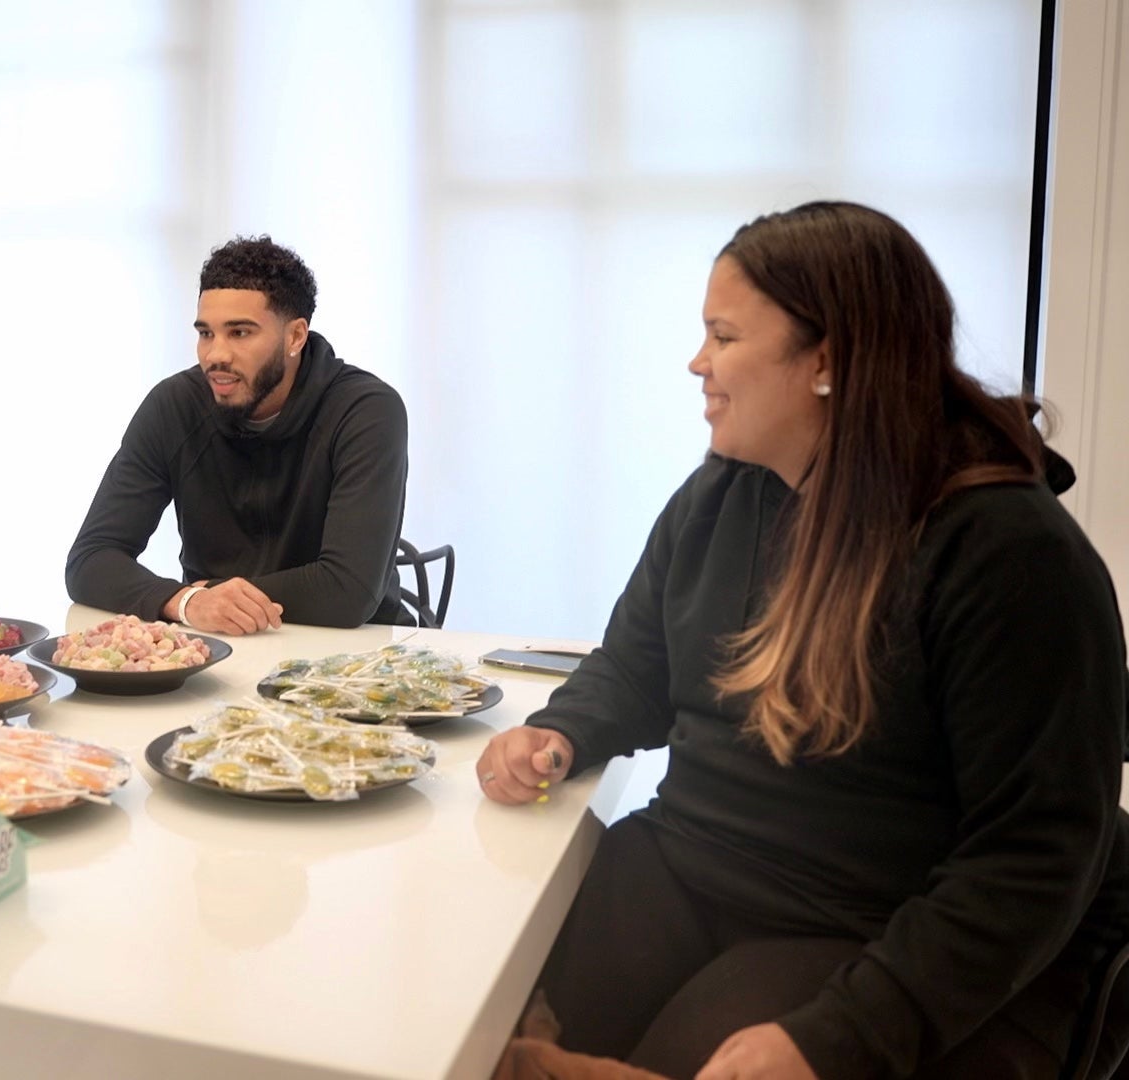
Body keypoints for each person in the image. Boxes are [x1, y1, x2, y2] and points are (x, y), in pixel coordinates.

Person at [477, 201, 1129, 1079]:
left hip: (864, 919)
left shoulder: (1007, 554)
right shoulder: (720, 495)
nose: (696, 364)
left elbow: (1034, 855)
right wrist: (561, 732)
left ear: (826, 362)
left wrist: (843, 1035)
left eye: (723, 337)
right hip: (694, 861)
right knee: (481, 1021)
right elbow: (637, 664)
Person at [64, 235, 410, 633]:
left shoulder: (365, 410)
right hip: (221, 650)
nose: (216, 355)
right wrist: (189, 602)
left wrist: (212, 594)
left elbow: (347, 591)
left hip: (357, 657)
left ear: (295, 336)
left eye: (240, 333)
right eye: (206, 333)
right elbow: (90, 560)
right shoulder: (174, 406)